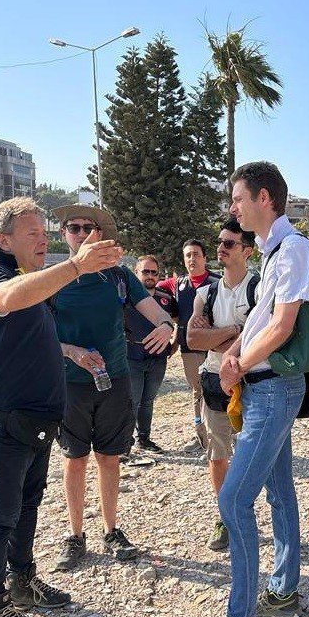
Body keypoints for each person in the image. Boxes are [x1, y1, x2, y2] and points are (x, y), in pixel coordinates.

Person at [0, 196, 121, 617]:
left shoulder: (27, 279)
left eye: (44, 232)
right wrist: (74, 268)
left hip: (33, 422)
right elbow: (5, 301)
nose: (44, 241)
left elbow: (35, 336)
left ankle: (21, 580)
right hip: (1, 423)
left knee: (25, 507)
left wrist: (70, 353)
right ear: (2, 239)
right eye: (33, 234)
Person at [182, 162, 309, 617]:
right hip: (263, 387)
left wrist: (236, 363)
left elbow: (282, 324)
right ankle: (282, 589)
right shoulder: (272, 254)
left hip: (272, 388)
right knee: (279, 491)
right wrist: (237, 350)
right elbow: (262, 319)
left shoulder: (295, 248)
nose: (233, 208)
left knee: (234, 500)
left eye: (238, 199)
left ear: (264, 198)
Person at [51, 205, 175, 571]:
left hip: (115, 378)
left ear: (99, 235)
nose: (82, 233)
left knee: (109, 458)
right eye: (74, 228)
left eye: (89, 228)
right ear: (64, 234)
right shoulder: (52, 278)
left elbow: (151, 308)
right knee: (74, 460)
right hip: (71, 382)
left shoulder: (118, 276)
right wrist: (69, 351)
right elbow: (36, 335)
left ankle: (111, 529)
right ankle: (75, 536)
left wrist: (167, 325)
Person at [186, 219, 258, 551]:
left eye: (229, 244)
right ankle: (225, 516)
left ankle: (244, 513)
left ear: (248, 250)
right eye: (220, 242)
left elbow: (259, 336)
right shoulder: (205, 293)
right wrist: (234, 332)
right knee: (218, 454)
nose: (221, 248)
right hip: (215, 381)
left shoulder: (259, 289)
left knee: (251, 455)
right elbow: (193, 338)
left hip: (254, 382)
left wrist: (220, 335)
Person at [157, 240, 220, 451]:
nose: (192, 259)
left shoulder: (217, 282)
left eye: (195, 254)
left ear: (204, 257)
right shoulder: (178, 284)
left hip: (215, 346)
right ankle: (201, 436)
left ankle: (223, 434)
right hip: (189, 347)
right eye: (187, 256)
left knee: (220, 389)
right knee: (197, 391)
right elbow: (151, 288)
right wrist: (174, 340)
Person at [125, 255, 178, 453]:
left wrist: (175, 344)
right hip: (132, 355)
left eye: (153, 272)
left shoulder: (166, 298)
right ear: (136, 273)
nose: (149, 276)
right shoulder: (127, 297)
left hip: (157, 358)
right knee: (132, 400)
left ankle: (144, 439)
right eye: (145, 271)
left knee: (148, 400)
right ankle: (124, 443)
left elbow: (176, 320)